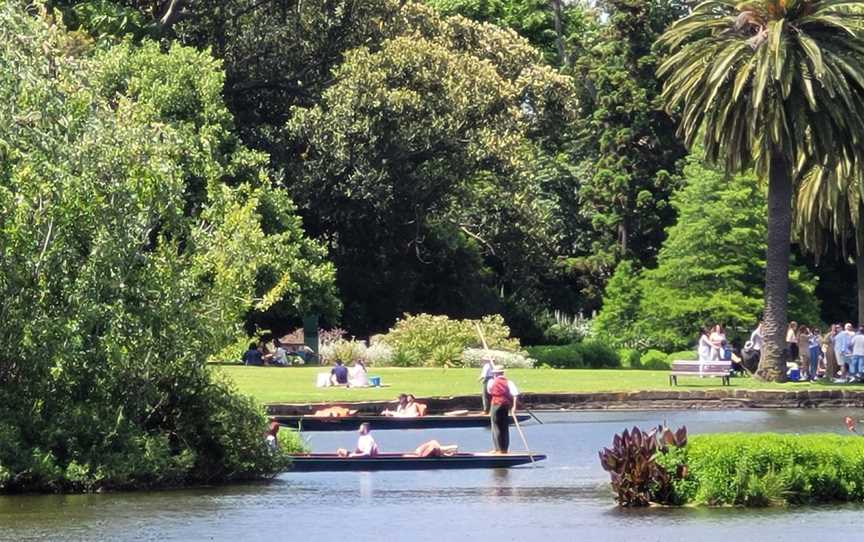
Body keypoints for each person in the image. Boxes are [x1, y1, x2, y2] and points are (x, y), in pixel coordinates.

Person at [486, 366, 518, 454]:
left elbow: (489, 391)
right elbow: (515, 394)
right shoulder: (509, 382)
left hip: (496, 404)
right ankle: (504, 449)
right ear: (502, 373)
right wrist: (514, 407)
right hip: (505, 404)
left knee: (495, 425)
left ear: (495, 374)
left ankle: (498, 449)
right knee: (504, 426)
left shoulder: (491, 382)